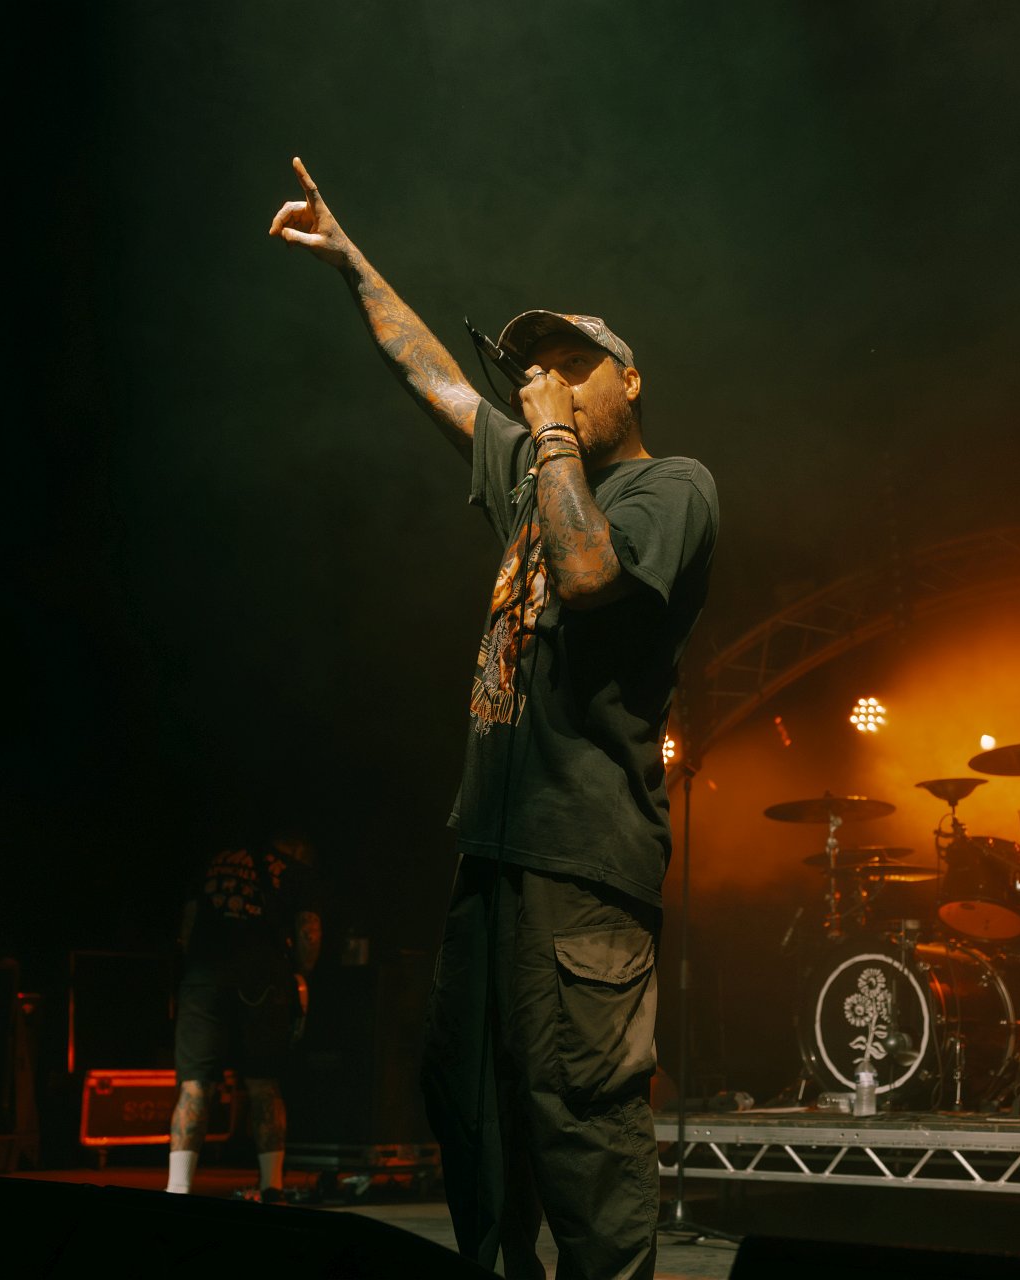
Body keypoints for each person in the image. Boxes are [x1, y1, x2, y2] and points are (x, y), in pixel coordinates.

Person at [269, 158, 718, 1280]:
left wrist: (553, 435)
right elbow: (430, 372)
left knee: (581, 1126)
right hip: (490, 855)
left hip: (584, 866)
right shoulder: (526, 468)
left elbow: (588, 572)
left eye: (573, 365)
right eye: (535, 368)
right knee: (472, 1112)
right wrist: (349, 258)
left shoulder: (673, 486)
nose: (545, 382)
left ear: (631, 381)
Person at [166, 831, 322, 1199]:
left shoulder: (213, 859)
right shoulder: (295, 871)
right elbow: (309, 933)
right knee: (264, 1085)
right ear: (296, 845)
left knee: (195, 1086)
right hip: (263, 981)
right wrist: (301, 974)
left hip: (204, 979)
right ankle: (272, 1187)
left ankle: (177, 1188)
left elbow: (188, 925)